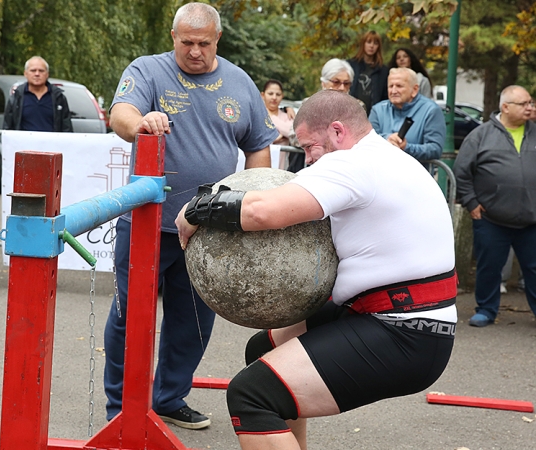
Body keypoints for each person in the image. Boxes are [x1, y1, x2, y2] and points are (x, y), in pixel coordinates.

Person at [175, 89, 456, 449]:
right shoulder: (388, 156)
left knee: (251, 396)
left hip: (404, 332)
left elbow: (263, 212)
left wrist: (197, 209)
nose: (308, 160)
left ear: (338, 132)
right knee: (264, 349)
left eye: (310, 147)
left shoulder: (352, 163)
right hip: (398, 318)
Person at [105, 1, 277, 430]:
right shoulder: (148, 70)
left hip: (209, 228)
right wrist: (141, 121)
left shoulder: (239, 82)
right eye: (187, 43)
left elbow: (258, 146)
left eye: (203, 43)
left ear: (217, 39)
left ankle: (169, 398)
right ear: (173, 38)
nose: (195, 51)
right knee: (130, 316)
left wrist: (250, 205)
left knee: (194, 321)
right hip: (147, 222)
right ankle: (122, 406)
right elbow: (119, 115)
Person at [454, 85, 536, 327]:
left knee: (534, 269)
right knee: (489, 267)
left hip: (531, 220)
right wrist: (471, 203)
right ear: (505, 107)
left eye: (531, 103)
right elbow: (462, 171)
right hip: (491, 218)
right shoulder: (480, 135)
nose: (530, 107)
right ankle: (486, 310)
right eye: (524, 104)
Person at [369, 67, 446, 163]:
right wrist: (387, 139)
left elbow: (435, 149)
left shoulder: (430, 110)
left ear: (414, 90)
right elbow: (366, 141)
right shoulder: (378, 110)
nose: (393, 91)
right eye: (390, 86)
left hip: (415, 175)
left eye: (399, 86)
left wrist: (406, 147)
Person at [3, 56, 72, 132]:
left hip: (51, 143)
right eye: (33, 70)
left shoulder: (59, 98)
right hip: (24, 143)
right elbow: (7, 128)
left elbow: (67, 129)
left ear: (47, 74)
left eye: (41, 71)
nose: (37, 74)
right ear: (25, 74)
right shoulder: (16, 98)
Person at [347, 30, 389, 115]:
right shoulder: (350, 65)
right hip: (350, 112)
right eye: (369, 42)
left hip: (373, 115)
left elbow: (385, 98)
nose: (372, 46)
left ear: (379, 46)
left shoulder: (383, 71)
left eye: (375, 43)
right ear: (363, 43)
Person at [261, 79, 295, 169]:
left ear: (282, 96)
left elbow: (291, 132)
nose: (274, 97)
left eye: (278, 94)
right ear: (263, 95)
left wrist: (272, 118)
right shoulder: (257, 114)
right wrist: (279, 136)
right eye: (270, 94)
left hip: (281, 166)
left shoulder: (288, 115)